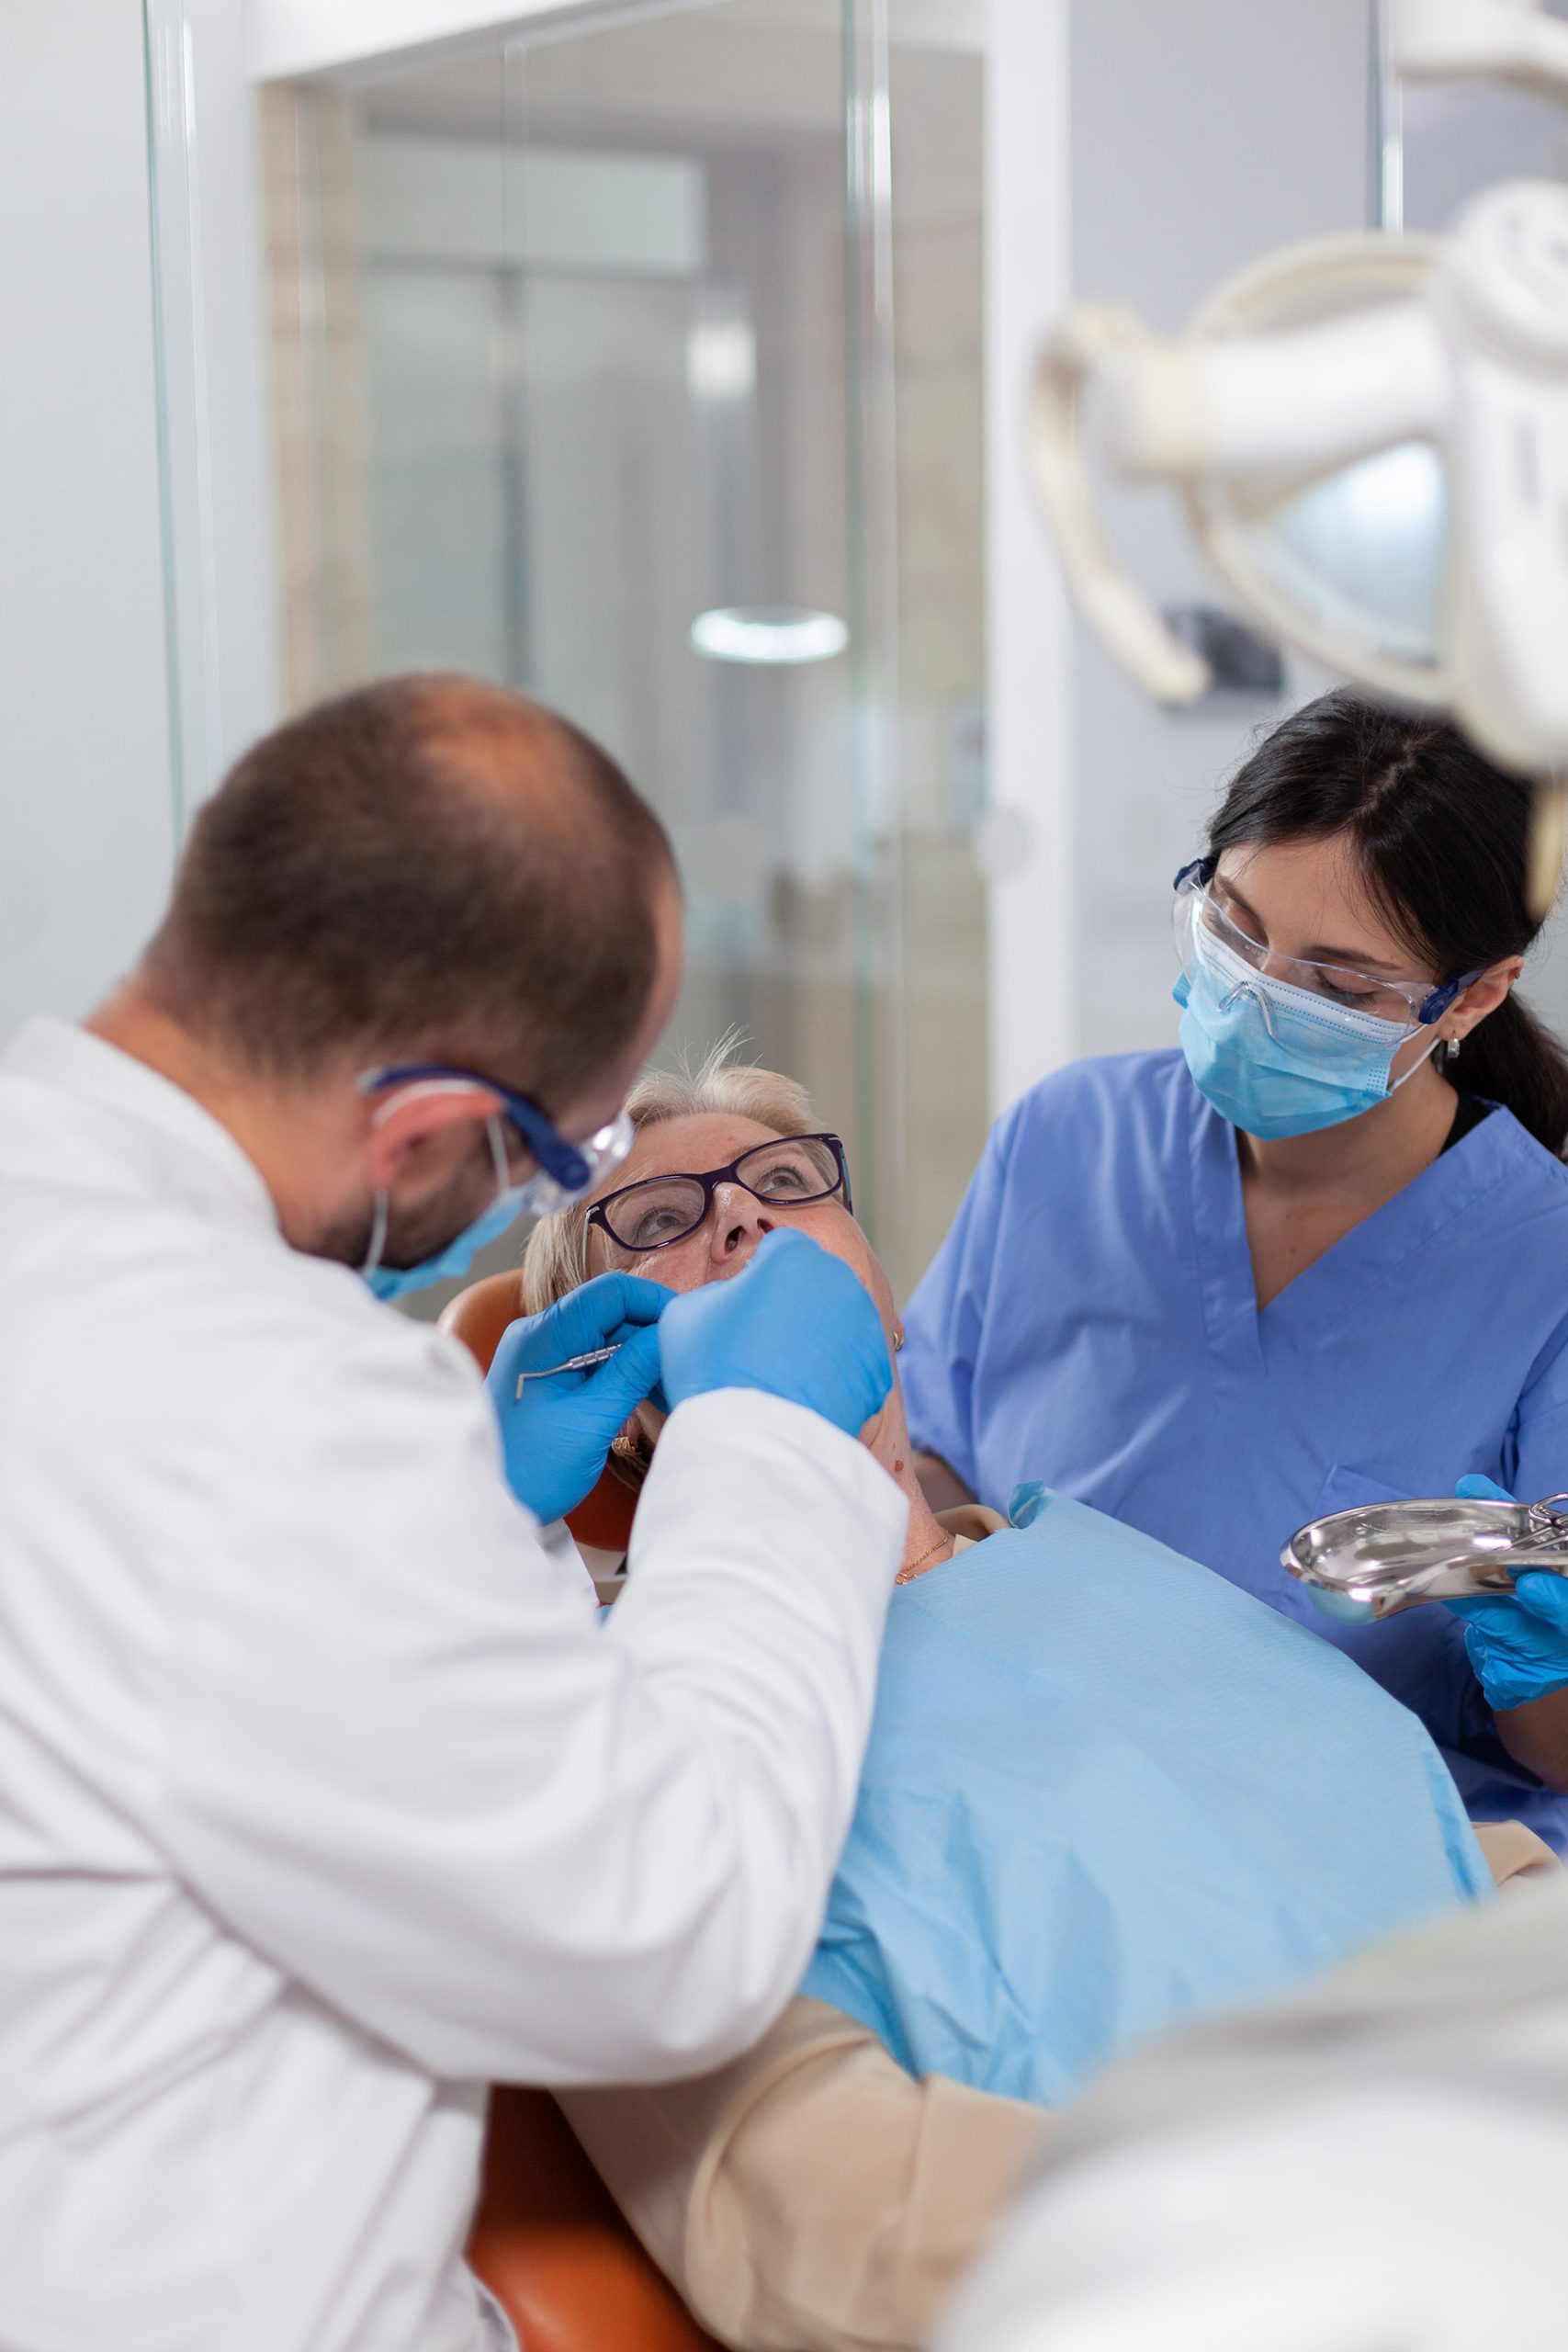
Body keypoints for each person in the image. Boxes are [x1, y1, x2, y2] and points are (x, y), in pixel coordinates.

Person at [0, 676, 908, 2352]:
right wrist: (769, 1446)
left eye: (781, 1189)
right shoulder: (276, 1412)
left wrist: (481, 1518)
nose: (736, 1228)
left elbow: (236, 1682)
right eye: (565, 1164)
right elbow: (672, 1932)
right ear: (425, 1127)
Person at [517, 1049, 1536, 2352]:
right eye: (660, 1219)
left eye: (785, 1179)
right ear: (617, 1406)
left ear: (886, 1306)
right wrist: (1383, 2215)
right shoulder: (615, 1747)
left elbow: (1412, 1843)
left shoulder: (1087, 1562)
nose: (742, 1216)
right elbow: (831, 2219)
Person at [902, 690, 1568, 1848]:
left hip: (1368, 1870)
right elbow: (926, 1454)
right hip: (1025, 1817)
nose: (1257, 994)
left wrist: (1546, 1669)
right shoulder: (1067, 1140)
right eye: (1235, 925)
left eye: (1338, 986)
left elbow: (1553, 1753)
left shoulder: (1540, 1267)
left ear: (1474, 995)